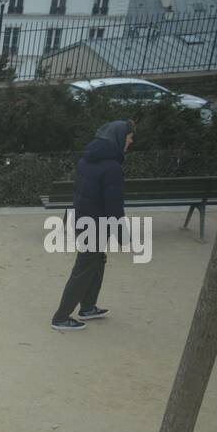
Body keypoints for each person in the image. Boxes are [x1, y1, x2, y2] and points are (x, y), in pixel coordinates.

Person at [50, 119, 134, 331]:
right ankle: (60, 318)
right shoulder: (112, 167)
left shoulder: (87, 160)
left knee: (97, 261)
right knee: (85, 267)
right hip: (95, 224)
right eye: (129, 137)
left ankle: (87, 307)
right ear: (119, 138)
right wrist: (122, 234)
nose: (131, 142)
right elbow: (114, 204)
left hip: (85, 220)